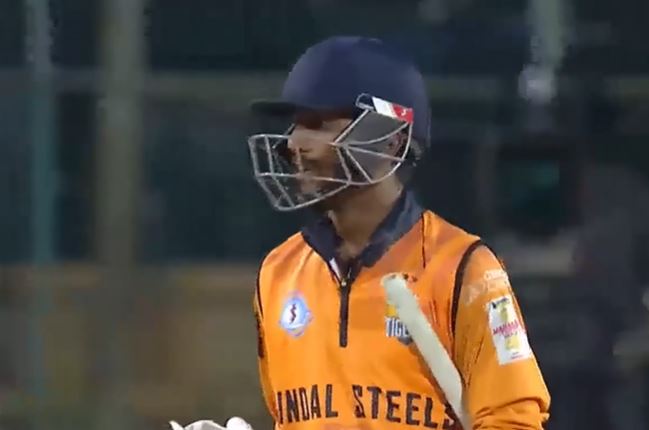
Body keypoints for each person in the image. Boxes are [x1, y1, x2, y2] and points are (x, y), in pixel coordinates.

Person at [172, 35, 550, 430]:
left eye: (317, 124)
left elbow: (514, 421)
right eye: (294, 125)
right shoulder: (278, 273)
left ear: (391, 140)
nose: (293, 143)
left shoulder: (463, 270)